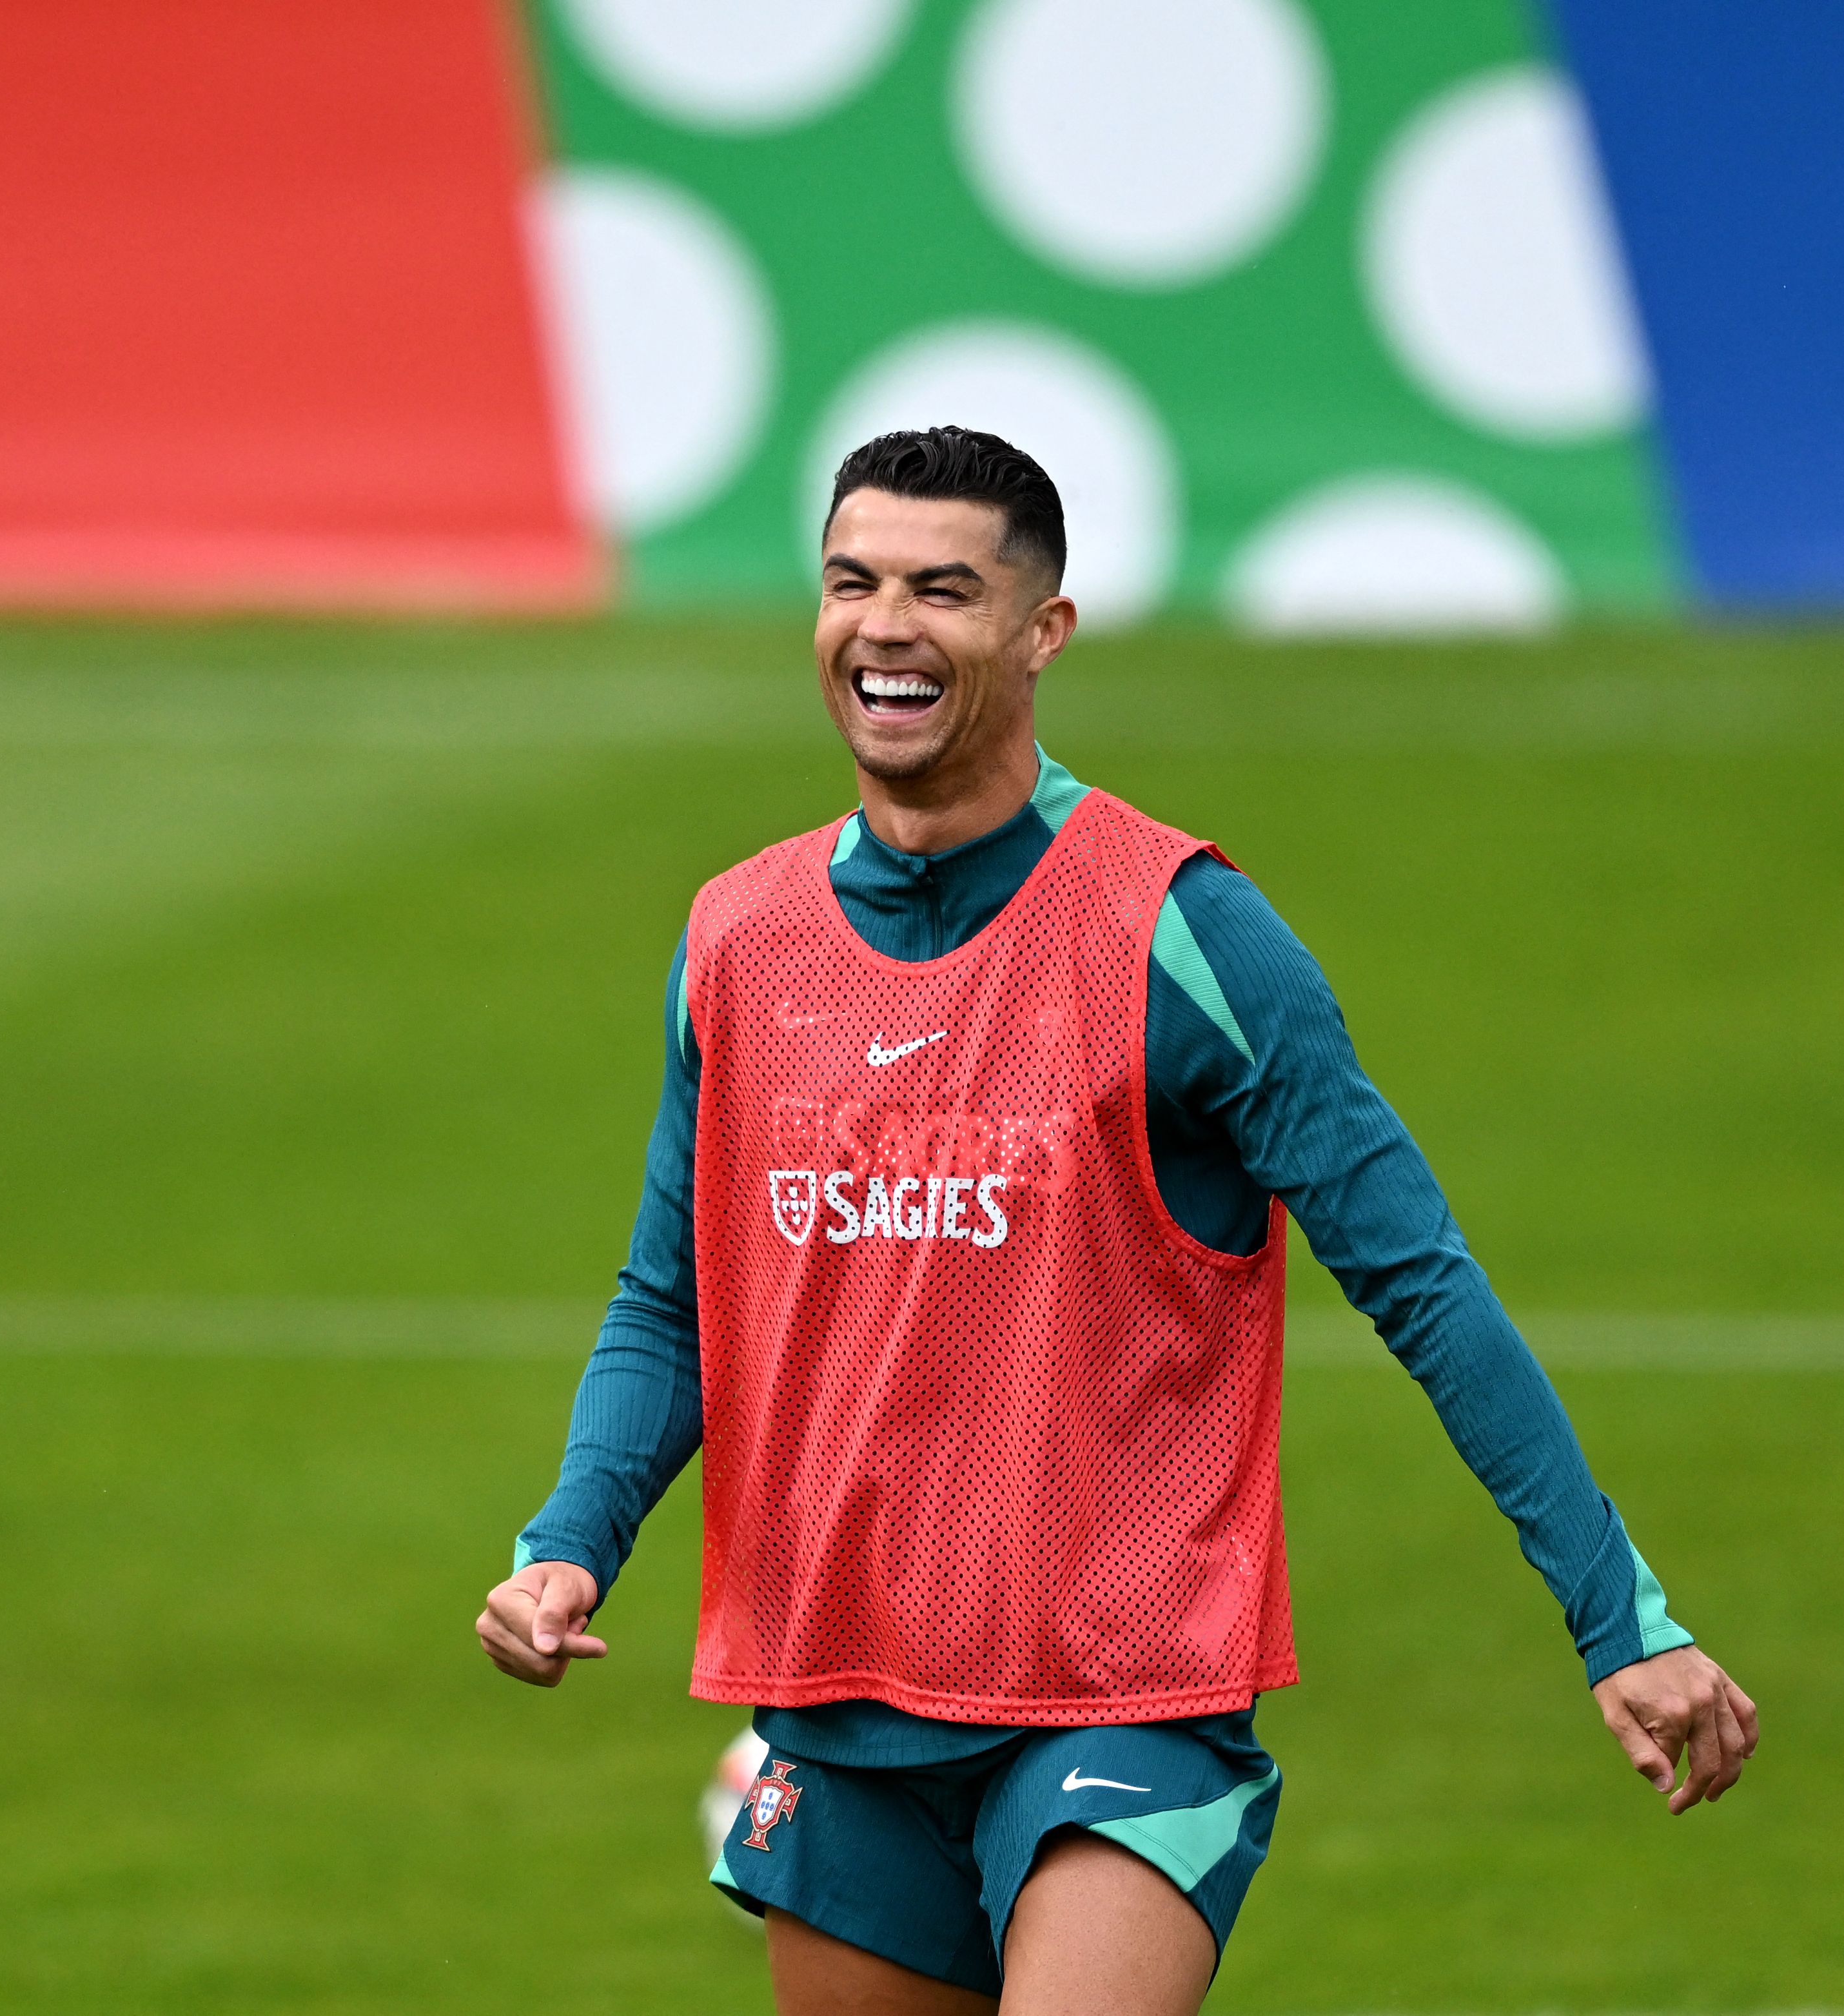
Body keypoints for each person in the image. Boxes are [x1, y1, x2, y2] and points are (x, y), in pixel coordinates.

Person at [473, 427, 1758, 2016]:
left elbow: (1418, 1283)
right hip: (836, 1697)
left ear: (1040, 631)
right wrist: (567, 1542)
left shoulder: (1181, 933)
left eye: (942, 589)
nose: (884, 625)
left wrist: (1613, 1614)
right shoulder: (737, 938)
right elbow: (673, 1302)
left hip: (1120, 1701)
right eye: (849, 582)